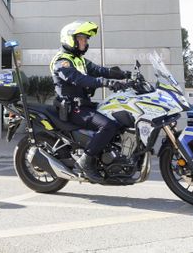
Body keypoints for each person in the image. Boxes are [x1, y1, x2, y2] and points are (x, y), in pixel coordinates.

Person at [50, 21, 132, 182]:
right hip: (73, 108)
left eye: (86, 39)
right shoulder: (62, 61)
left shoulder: (79, 60)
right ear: (70, 39)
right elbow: (78, 79)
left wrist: (124, 75)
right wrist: (106, 83)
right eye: (81, 38)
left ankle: (113, 157)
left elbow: (100, 70)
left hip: (84, 105)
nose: (85, 42)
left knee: (119, 118)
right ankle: (85, 161)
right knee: (107, 125)